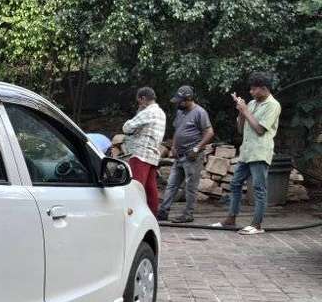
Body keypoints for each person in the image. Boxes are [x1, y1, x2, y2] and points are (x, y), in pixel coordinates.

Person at [213, 72, 282, 235]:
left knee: (259, 188)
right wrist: (240, 111)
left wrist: (245, 110)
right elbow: (240, 129)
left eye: (253, 89)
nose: (251, 92)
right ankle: (231, 219)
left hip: (260, 152)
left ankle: (256, 224)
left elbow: (259, 129)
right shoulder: (251, 103)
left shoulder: (273, 105)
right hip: (246, 152)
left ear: (264, 88)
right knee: (235, 183)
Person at [156, 85, 214, 223]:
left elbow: (210, 132)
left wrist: (197, 148)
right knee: (171, 184)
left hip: (192, 156)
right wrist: (173, 146)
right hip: (179, 155)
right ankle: (163, 212)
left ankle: (188, 214)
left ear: (188, 99)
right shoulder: (180, 112)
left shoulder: (200, 112)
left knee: (190, 186)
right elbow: (177, 130)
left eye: (180, 101)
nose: (178, 103)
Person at [121, 87, 165, 214]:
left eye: (139, 101)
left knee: (136, 187)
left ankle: (134, 215)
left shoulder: (148, 112)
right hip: (153, 154)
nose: (139, 104)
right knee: (151, 189)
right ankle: (152, 215)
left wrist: (139, 111)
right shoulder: (161, 113)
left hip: (141, 154)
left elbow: (126, 127)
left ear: (143, 98)